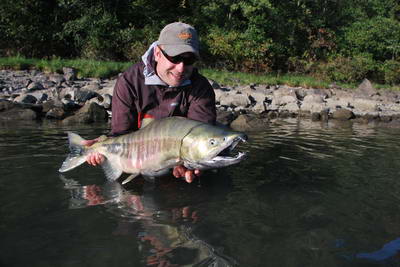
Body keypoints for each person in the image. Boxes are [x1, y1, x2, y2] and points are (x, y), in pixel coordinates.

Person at [85, 22, 217, 183]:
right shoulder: (129, 82)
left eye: (189, 60)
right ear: (157, 53)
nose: (181, 68)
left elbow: (201, 134)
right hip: (137, 159)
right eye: (174, 58)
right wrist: (103, 148)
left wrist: (195, 166)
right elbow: (121, 134)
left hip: (178, 162)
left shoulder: (201, 88)